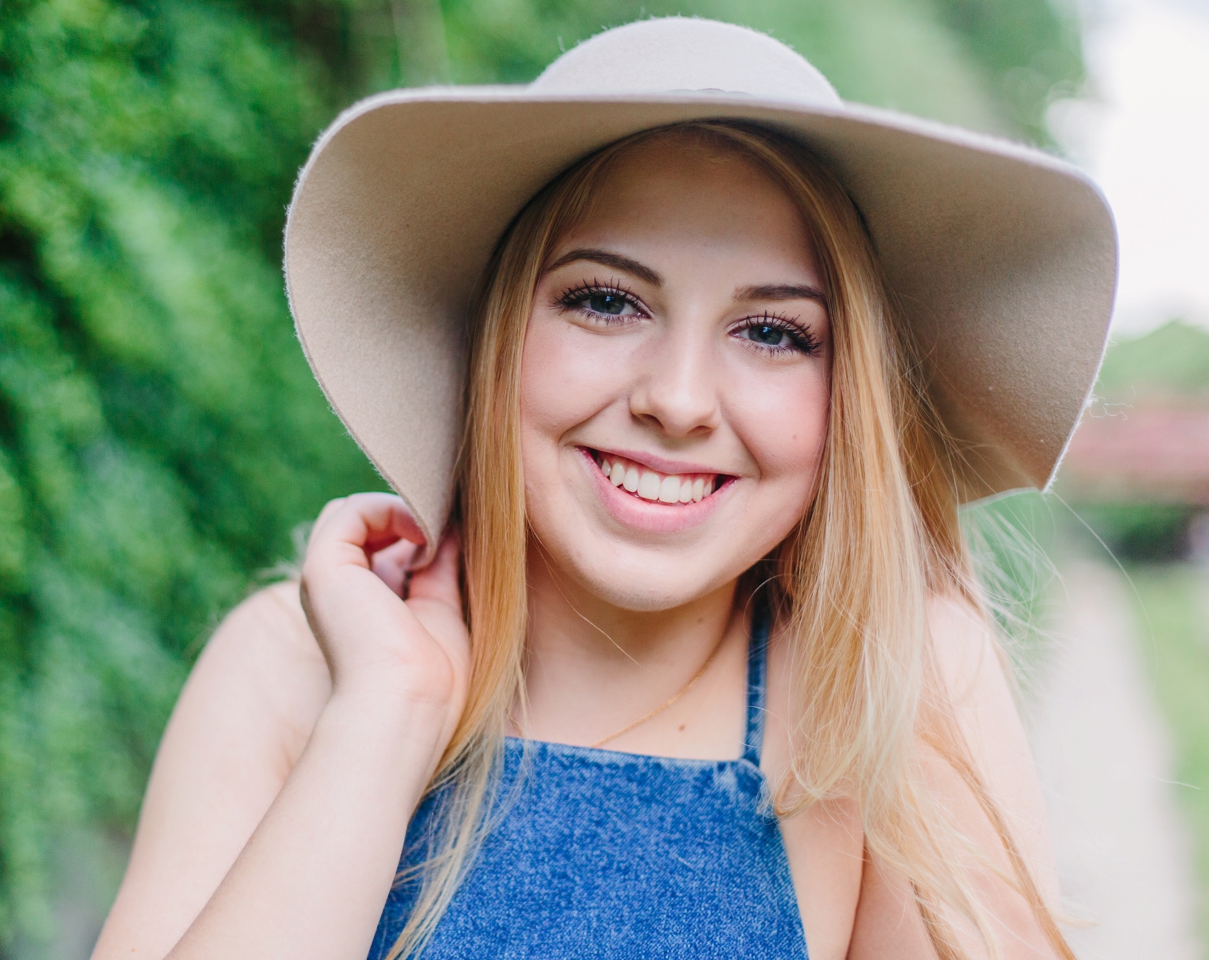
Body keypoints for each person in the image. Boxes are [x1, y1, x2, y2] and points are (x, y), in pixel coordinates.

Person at [91, 18, 1115, 960]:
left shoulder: (891, 682)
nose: (676, 400)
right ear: (497, 343)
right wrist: (385, 716)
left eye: (771, 332)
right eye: (607, 301)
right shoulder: (290, 671)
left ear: (851, 399)